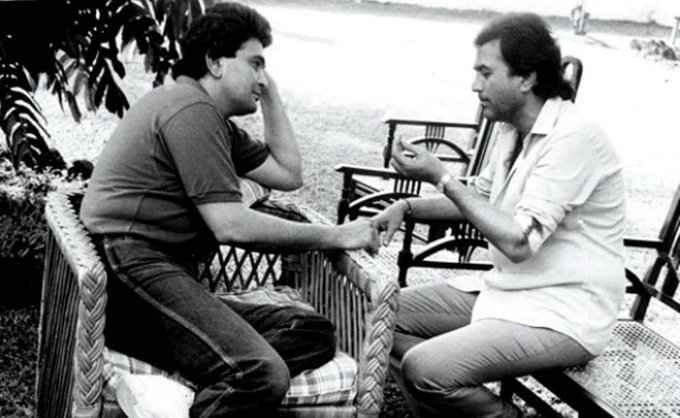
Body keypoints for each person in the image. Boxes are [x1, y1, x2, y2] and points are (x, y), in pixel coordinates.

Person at [79, 3, 380, 417]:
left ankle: (179, 391)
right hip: (135, 275)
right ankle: (212, 384)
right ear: (215, 62)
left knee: (311, 331)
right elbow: (230, 225)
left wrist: (270, 93)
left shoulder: (213, 120)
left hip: (162, 277)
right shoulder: (191, 110)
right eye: (255, 64)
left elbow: (289, 173)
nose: (262, 78)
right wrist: (338, 235)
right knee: (261, 373)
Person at [373, 12, 626, 417]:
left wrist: (440, 176)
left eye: (485, 73)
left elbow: (519, 242)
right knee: (379, 314)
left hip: (564, 312)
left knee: (426, 368)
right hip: (510, 294)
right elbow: (479, 197)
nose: (475, 85)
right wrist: (407, 207)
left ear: (526, 78)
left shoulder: (574, 137)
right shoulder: (513, 131)